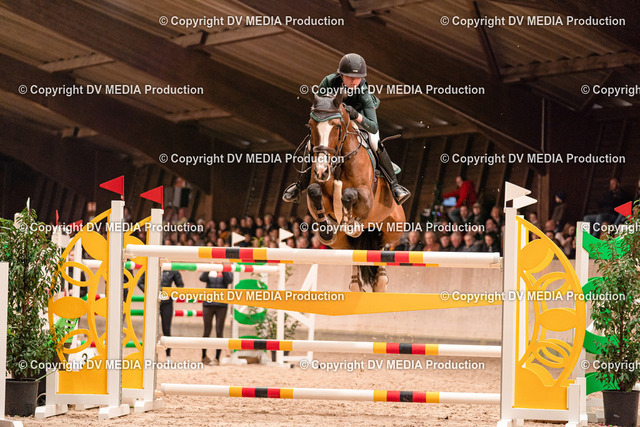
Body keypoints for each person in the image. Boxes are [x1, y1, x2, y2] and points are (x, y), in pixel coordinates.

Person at [282, 53, 410, 205]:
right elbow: (317, 107)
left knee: (375, 142)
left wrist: (356, 115)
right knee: (312, 144)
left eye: (358, 78)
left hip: (358, 121)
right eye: (349, 77)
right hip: (334, 121)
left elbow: (373, 126)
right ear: (341, 75)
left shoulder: (364, 92)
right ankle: (299, 186)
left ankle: (395, 186)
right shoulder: (329, 82)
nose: (354, 81)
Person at [137, 269, 184, 362]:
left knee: (166, 329)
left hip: (167, 303)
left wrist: (172, 295)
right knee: (151, 329)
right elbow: (140, 282)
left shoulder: (173, 269)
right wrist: (150, 293)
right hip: (153, 302)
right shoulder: (151, 266)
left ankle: (168, 356)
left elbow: (180, 286)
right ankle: (150, 355)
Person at [200, 270, 233, 365]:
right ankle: (203, 356)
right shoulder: (210, 270)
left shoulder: (227, 270)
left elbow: (229, 280)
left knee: (219, 331)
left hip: (221, 305)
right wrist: (209, 267)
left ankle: (217, 358)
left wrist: (223, 269)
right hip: (208, 304)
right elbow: (202, 278)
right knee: (206, 331)